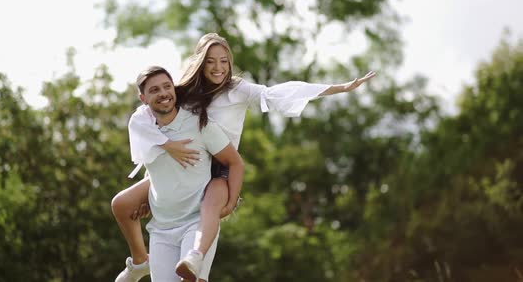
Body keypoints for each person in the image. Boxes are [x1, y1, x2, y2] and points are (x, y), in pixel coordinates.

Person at [113, 33, 376, 281]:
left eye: (224, 61)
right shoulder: (182, 92)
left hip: (219, 170)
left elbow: (277, 94)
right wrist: (160, 165)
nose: (219, 68)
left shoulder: (238, 89)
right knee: (123, 205)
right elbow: (150, 121)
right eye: (211, 62)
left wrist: (338, 88)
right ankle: (139, 263)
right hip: (187, 167)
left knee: (211, 206)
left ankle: (195, 256)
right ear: (201, 64)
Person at [113, 66, 244, 282]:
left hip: (196, 222)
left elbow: (235, 162)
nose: (163, 93)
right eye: (154, 90)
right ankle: (139, 262)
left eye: (167, 86)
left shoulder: (199, 123)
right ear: (143, 98)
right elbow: (153, 169)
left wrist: (230, 203)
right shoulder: (143, 129)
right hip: (161, 230)